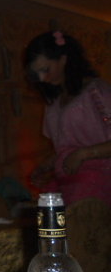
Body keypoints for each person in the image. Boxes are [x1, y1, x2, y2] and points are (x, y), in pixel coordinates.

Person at [26, 30, 111, 207]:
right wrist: (47, 166)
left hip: (97, 185)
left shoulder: (96, 91)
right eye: (37, 74)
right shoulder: (55, 102)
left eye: (45, 70)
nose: (42, 78)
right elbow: (66, 147)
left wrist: (83, 154)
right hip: (68, 184)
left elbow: (79, 150)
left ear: (63, 59)